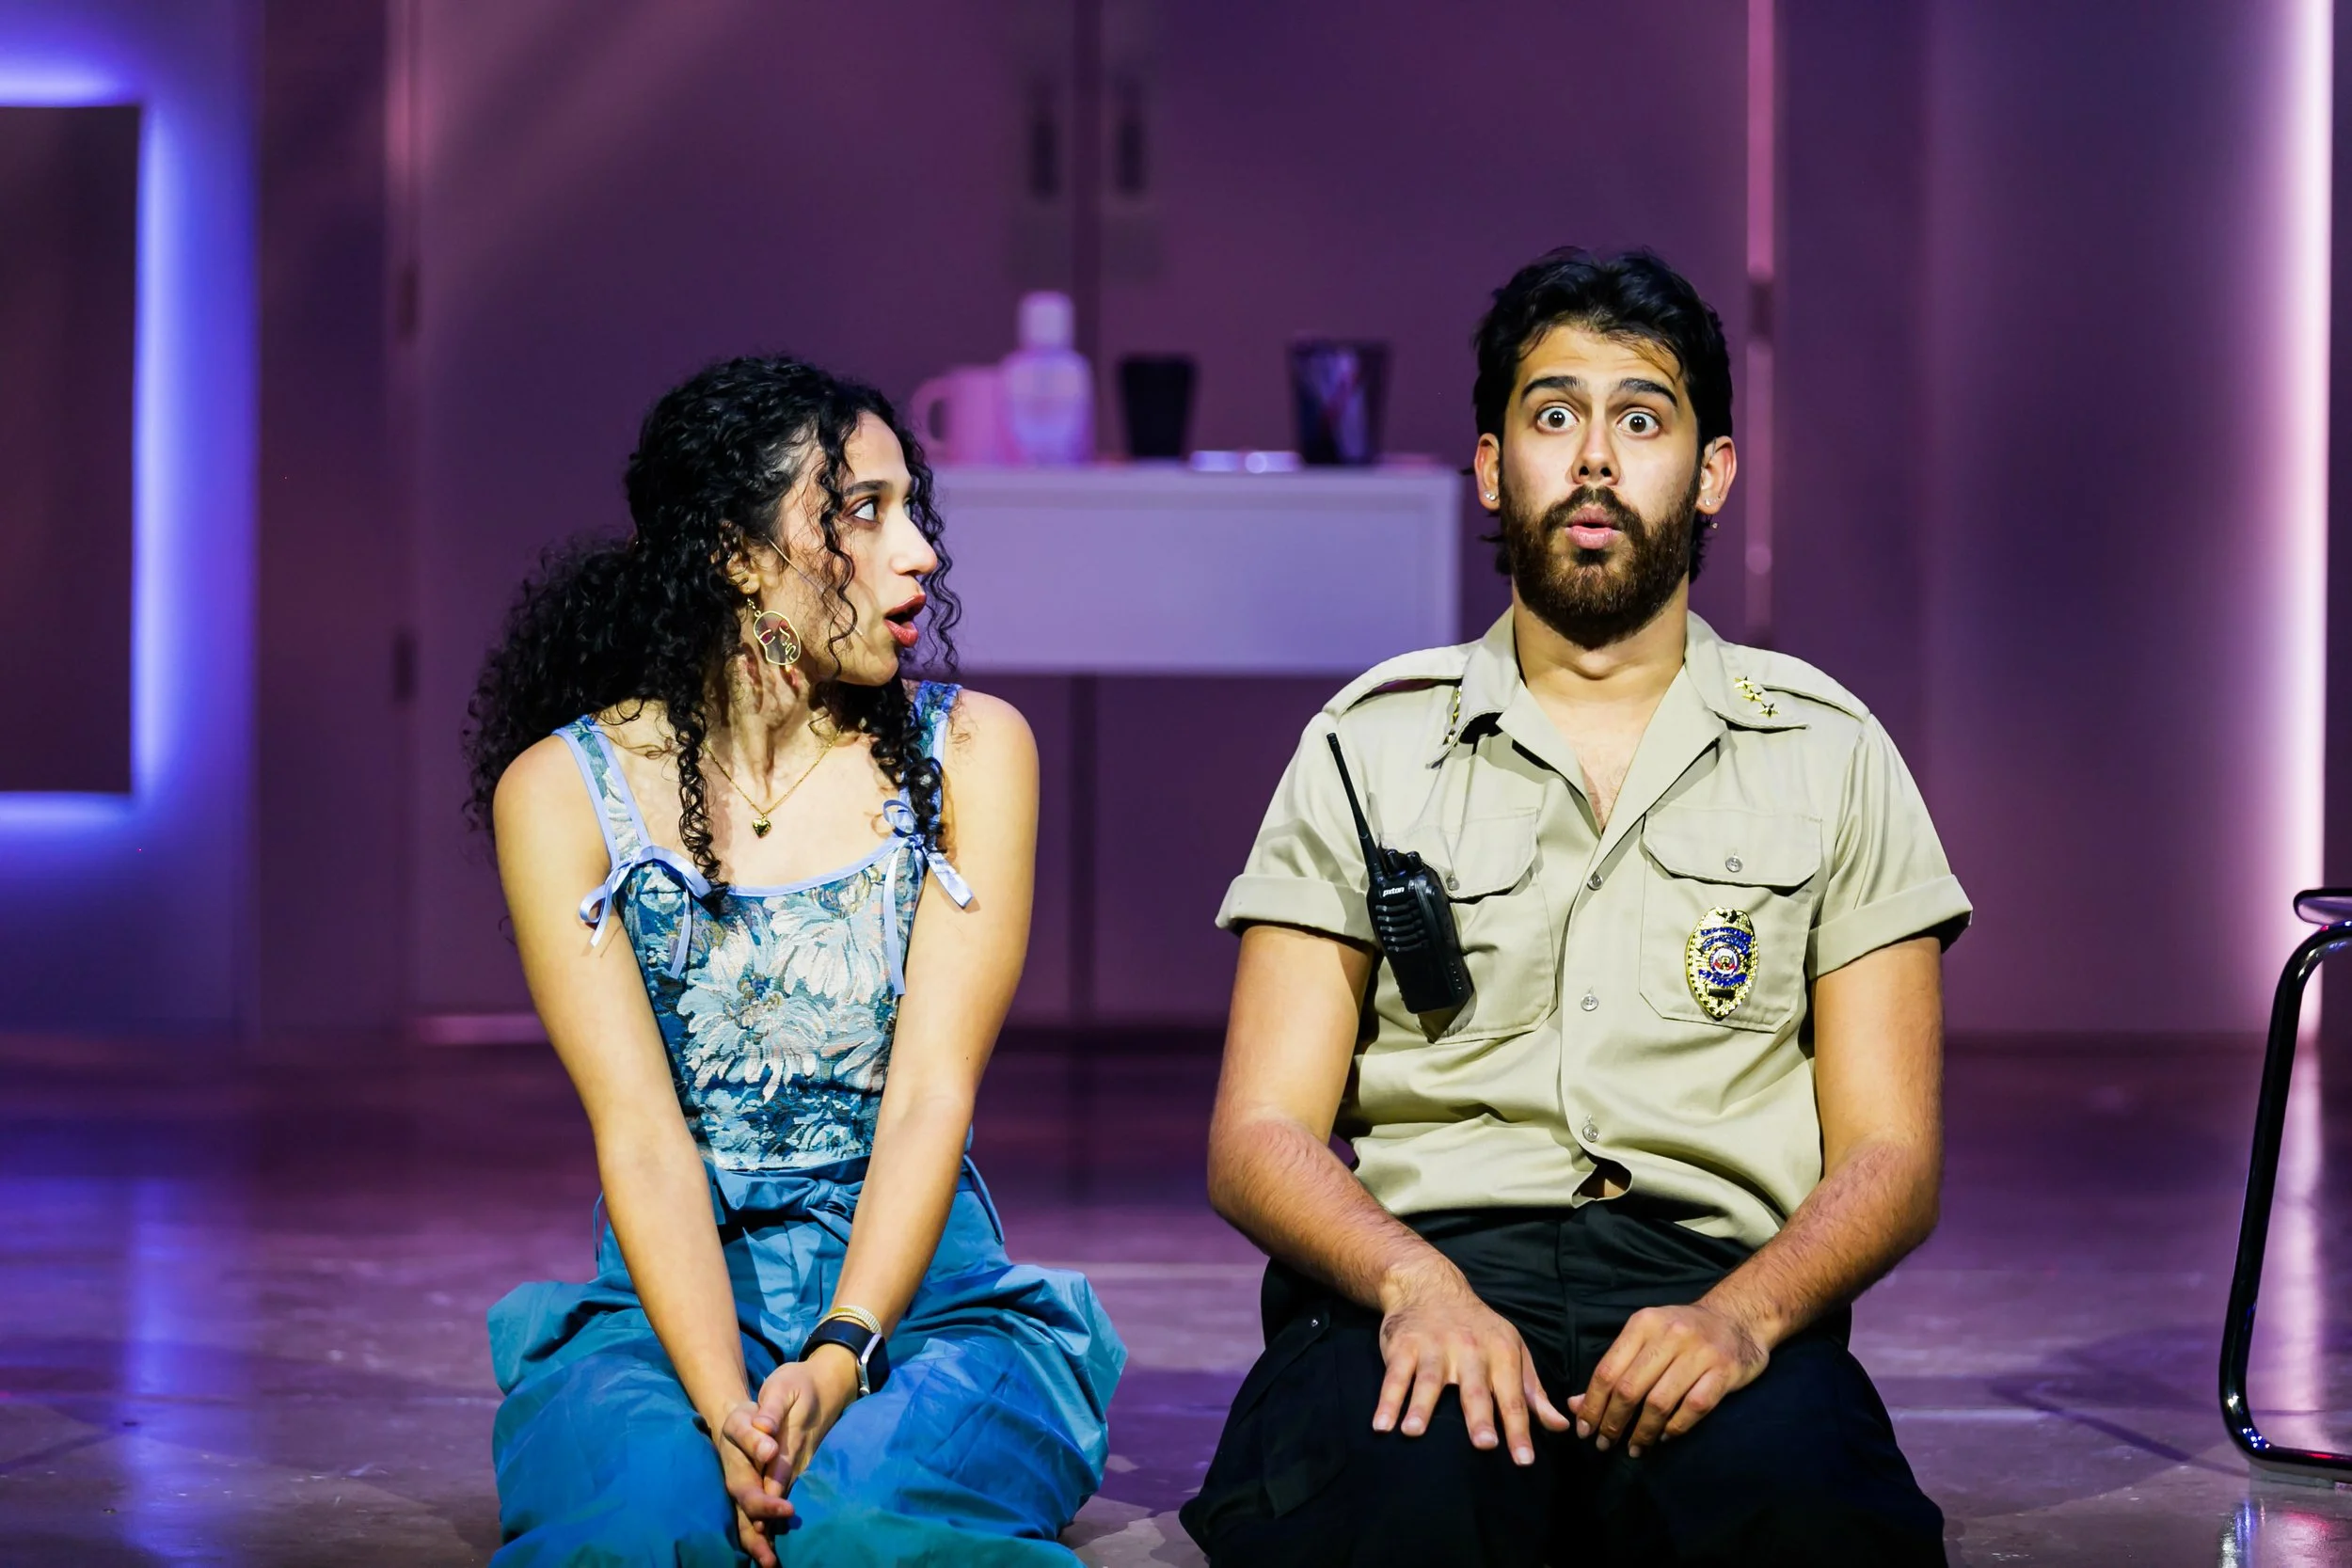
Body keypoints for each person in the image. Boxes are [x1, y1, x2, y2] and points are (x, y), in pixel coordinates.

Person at [1180, 248, 1969, 1567]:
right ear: (1493, 467)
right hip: (1419, 1276)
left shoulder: (1831, 752)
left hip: (1708, 1289)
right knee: (1383, 1526)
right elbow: (1259, 1132)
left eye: (1642, 420)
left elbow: (1891, 1154)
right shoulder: (1366, 746)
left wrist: (1744, 1317)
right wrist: (1415, 1283)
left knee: (1812, 1531)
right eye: (1555, 415)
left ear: (1712, 471)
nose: (1595, 457)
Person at [465, 356, 1123, 1566]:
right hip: (668, 1304)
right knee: (642, 1525)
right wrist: (726, 1403)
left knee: (858, 1526)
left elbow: (930, 1096)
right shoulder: (562, 791)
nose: (920, 552)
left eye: (911, 508)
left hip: (922, 1300)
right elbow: (640, 1133)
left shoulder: (974, 752)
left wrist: (842, 1346)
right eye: (863, 512)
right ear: (736, 555)